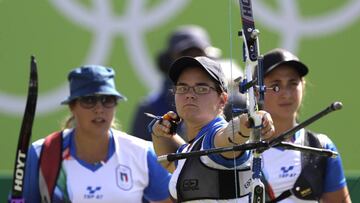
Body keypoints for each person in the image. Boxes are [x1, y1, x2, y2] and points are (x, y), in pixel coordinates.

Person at [22, 65, 172, 203]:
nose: (99, 109)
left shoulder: (143, 153)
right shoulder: (43, 152)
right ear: (72, 107)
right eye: (89, 100)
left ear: (115, 105)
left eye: (107, 100)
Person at [150, 56, 275, 202]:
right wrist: (157, 130)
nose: (190, 95)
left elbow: (231, 134)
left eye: (201, 88)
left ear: (222, 100)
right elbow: (169, 160)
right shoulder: (192, 149)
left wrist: (255, 119)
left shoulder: (216, 137)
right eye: (183, 88)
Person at [259, 48, 352, 202]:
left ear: (303, 85)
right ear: (257, 92)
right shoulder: (241, 150)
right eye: (276, 86)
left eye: (293, 83)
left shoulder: (321, 146)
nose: (286, 94)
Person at [131, 24, 237, 141]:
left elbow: (234, 139)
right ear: (167, 62)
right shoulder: (149, 107)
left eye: (199, 55)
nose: (194, 62)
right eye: (186, 56)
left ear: (222, 100)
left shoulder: (235, 102)